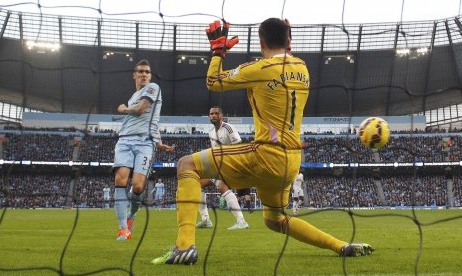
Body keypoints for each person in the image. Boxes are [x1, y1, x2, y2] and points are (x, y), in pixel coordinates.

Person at [152, 18, 373, 265]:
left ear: (261, 42)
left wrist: (218, 52)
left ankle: (184, 247)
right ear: (289, 41)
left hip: (266, 154)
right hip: (291, 162)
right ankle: (340, 246)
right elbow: (285, 63)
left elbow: (213, 81)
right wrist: (286, 39)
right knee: (275, 220)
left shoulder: (261, 69)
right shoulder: (303, 67)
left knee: (186, 165)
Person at [113, 59, 175, 241]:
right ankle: (123, 229)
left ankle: (131, 215)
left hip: (144, 144)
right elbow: (153, 122)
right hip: (124, 141)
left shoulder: (153, 88)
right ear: (134, 75)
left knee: (138, 186)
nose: (144, 75)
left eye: (147, 72)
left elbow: (141, 110)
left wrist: (124, 109)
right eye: (140, 71)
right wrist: (160, 142)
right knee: (120, 178)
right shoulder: (133, 96)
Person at [196, 106, 249, 230]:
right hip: (218, 166)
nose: (213, 115)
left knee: (221, 187)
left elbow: (238, 146)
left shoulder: (228, 128)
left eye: (216, 113)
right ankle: (206, 220)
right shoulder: (211, 133)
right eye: (211, 114)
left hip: (230, 164)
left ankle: (241, 221)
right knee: (198, 184)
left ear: (221, 115)